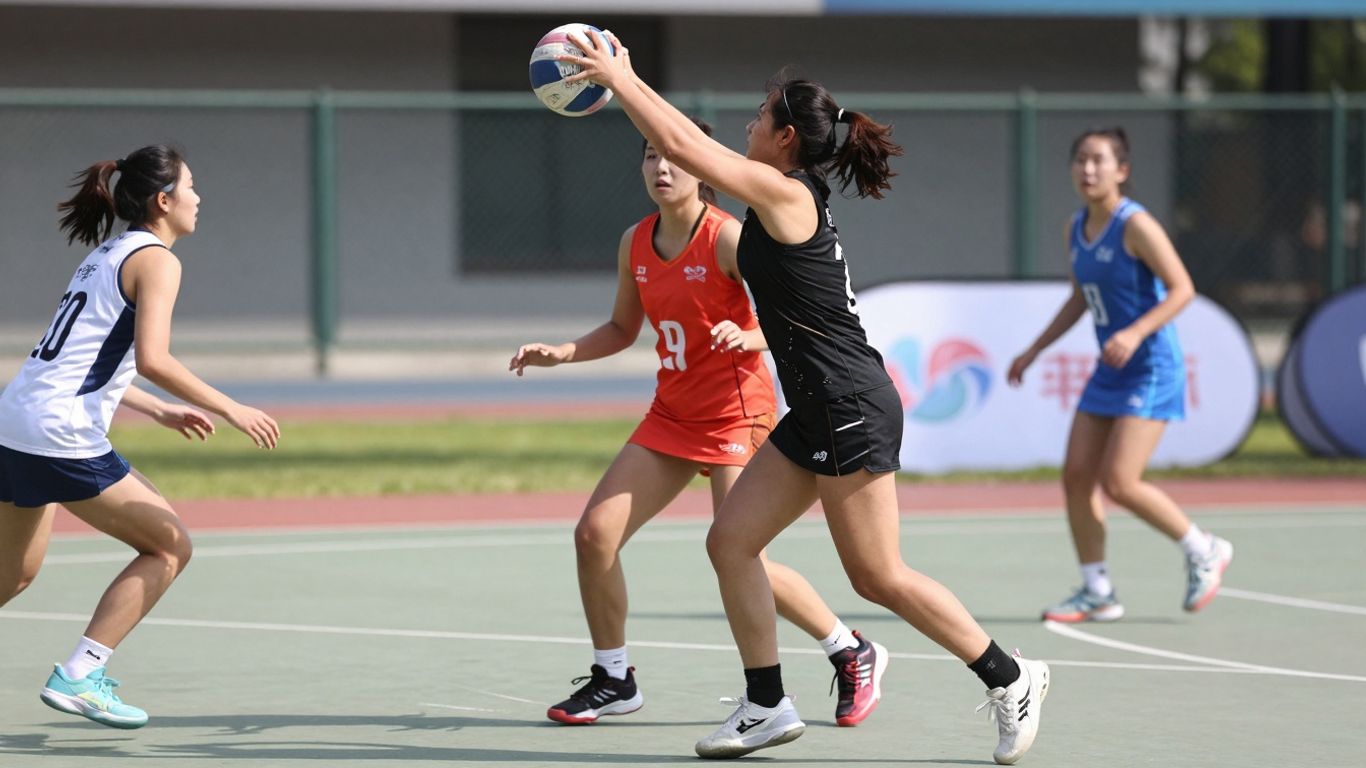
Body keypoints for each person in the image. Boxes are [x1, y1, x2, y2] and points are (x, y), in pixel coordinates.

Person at [561, 33, 1049, 765]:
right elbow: (688, 147)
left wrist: (620, 79)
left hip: (850, 400)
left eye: (759, 116)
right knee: (730, 542)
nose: (748, 125)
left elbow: (685, 150)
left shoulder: (786, 194)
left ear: (786, 138)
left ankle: (1012, 678)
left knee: (877, 574)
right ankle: (765, 703)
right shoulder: (776, 193)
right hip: (817, 408)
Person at [509, 119, 888, 729]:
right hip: (674, 414)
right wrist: (562, 352)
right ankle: (614, 676)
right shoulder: (634, 241)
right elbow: (621, 329)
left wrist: (749, 333)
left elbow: (797, 312)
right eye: (651, 156)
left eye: (674, 158)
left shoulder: (729, 238)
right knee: (593, 536)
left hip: (739, 412)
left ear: (701, 167)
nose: (663, 168)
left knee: (741, 553)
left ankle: (848, 650)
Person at [0, 145, 280, 729]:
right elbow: (152, 357)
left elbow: (80, 359)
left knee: (13, 574)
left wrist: (156, 411)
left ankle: (81, 672)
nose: (199, 198)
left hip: (17, 420)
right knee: (170, 547)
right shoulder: (158, 260)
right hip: (60, 433)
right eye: (191, 186)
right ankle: (80, 674)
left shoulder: (106, 254)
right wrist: (231, 407)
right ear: (163, 200)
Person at [1007, 127, 1234, 624]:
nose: (1088, 170)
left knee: (1120, 481)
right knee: (1076, 477)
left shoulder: (1136, 225)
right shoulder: (1076, 229)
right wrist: (1033, 351)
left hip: (1151, 366)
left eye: (1099, 161)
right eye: (1080, 160)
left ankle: (1204, 548)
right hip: (1109, 369)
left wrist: (1134, 333)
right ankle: (1097, 590)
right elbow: (1078, 299)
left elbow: (1182, 289)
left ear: (1122, 171)